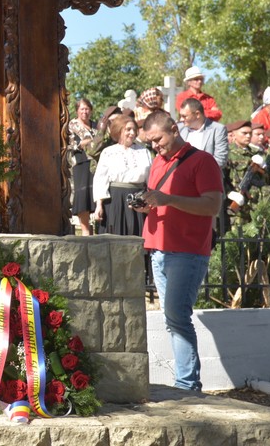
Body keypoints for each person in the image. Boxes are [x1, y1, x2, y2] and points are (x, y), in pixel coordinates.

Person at [138, 111, 224, 393]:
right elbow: (161, 200)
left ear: (174, 129)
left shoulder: (203, 161)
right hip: (159, 248)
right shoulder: (158, 162)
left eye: (158, 139)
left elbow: (212, 206)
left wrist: (170, 200)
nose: (154, 146)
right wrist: (148, 204)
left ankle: (188, 384)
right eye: (150, 141)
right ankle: (186, 382)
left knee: (177, 316)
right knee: (172, 318)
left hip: (187, 251)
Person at [91, 112, 151, 237]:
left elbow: (150, 177)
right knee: (114, 238)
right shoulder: (108, 152)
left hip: (138, 199)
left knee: (137, 237)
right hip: (115, 200)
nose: (132, 133)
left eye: (134, 129)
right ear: (119, 130)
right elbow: (101, 179)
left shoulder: (144, 152)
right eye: (128, 129)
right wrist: (99, 205)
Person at [67, 97, 97, 236]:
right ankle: (85, 231)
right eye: (82, 109)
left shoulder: (96, 125)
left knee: (96, 195)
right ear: (77, 110)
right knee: (83, 196)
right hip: (81, 162)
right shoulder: (72, 125)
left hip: (97, 163)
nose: (85, 112)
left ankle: (96, 229)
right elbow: (70, 145)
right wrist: (84, 143)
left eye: (87, 109)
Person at [179, 97, 228, 170]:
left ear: (197, 114)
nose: (181, 119)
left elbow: (221, 160)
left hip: (207, 176)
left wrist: (196, 170)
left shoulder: (218, 130)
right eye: (180, 116)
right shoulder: (179, 128)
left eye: (184, 116)